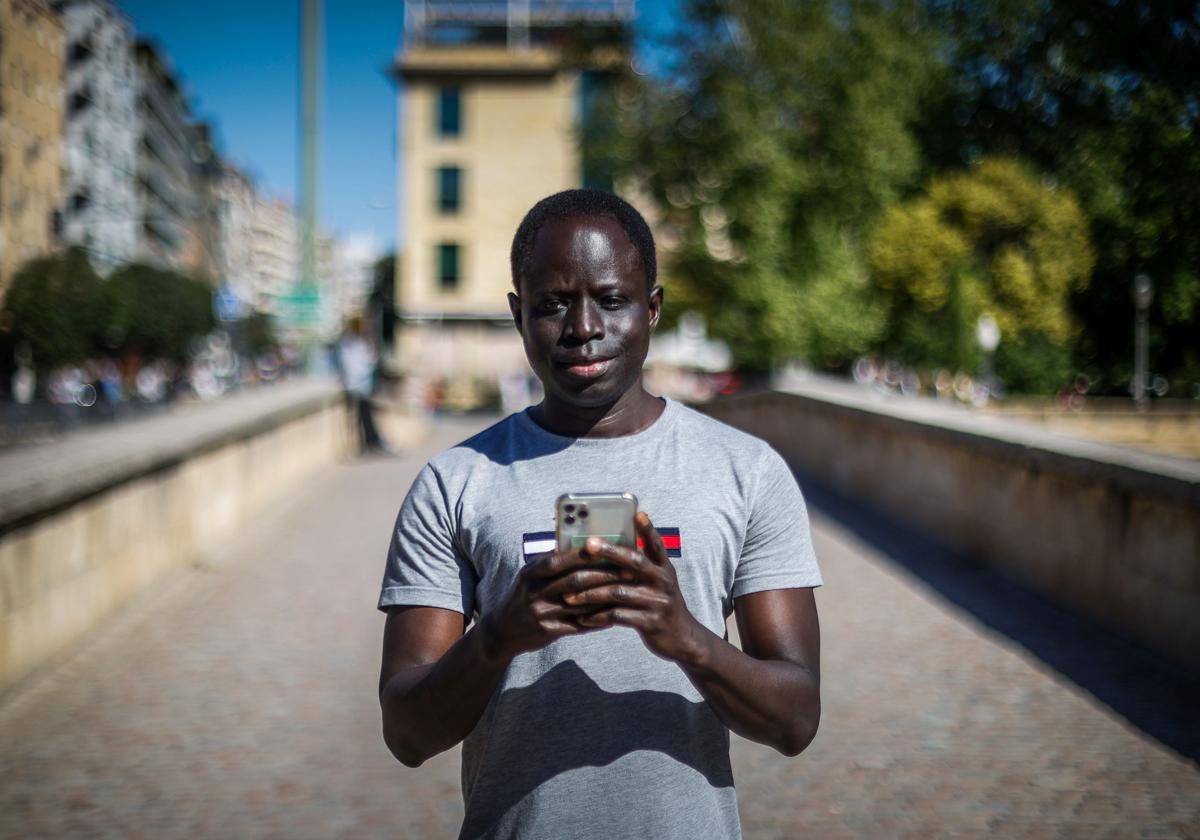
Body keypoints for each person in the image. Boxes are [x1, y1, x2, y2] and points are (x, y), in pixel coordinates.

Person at [378, 189, 822, 840]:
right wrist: (498, 636)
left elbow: (796, 720)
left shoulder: (747, 471)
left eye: (611, 300)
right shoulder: (455, 483)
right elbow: (407, 733)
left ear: (653, 307)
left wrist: (687, 638)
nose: (583, 327)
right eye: (552, 304)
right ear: (517, 313)